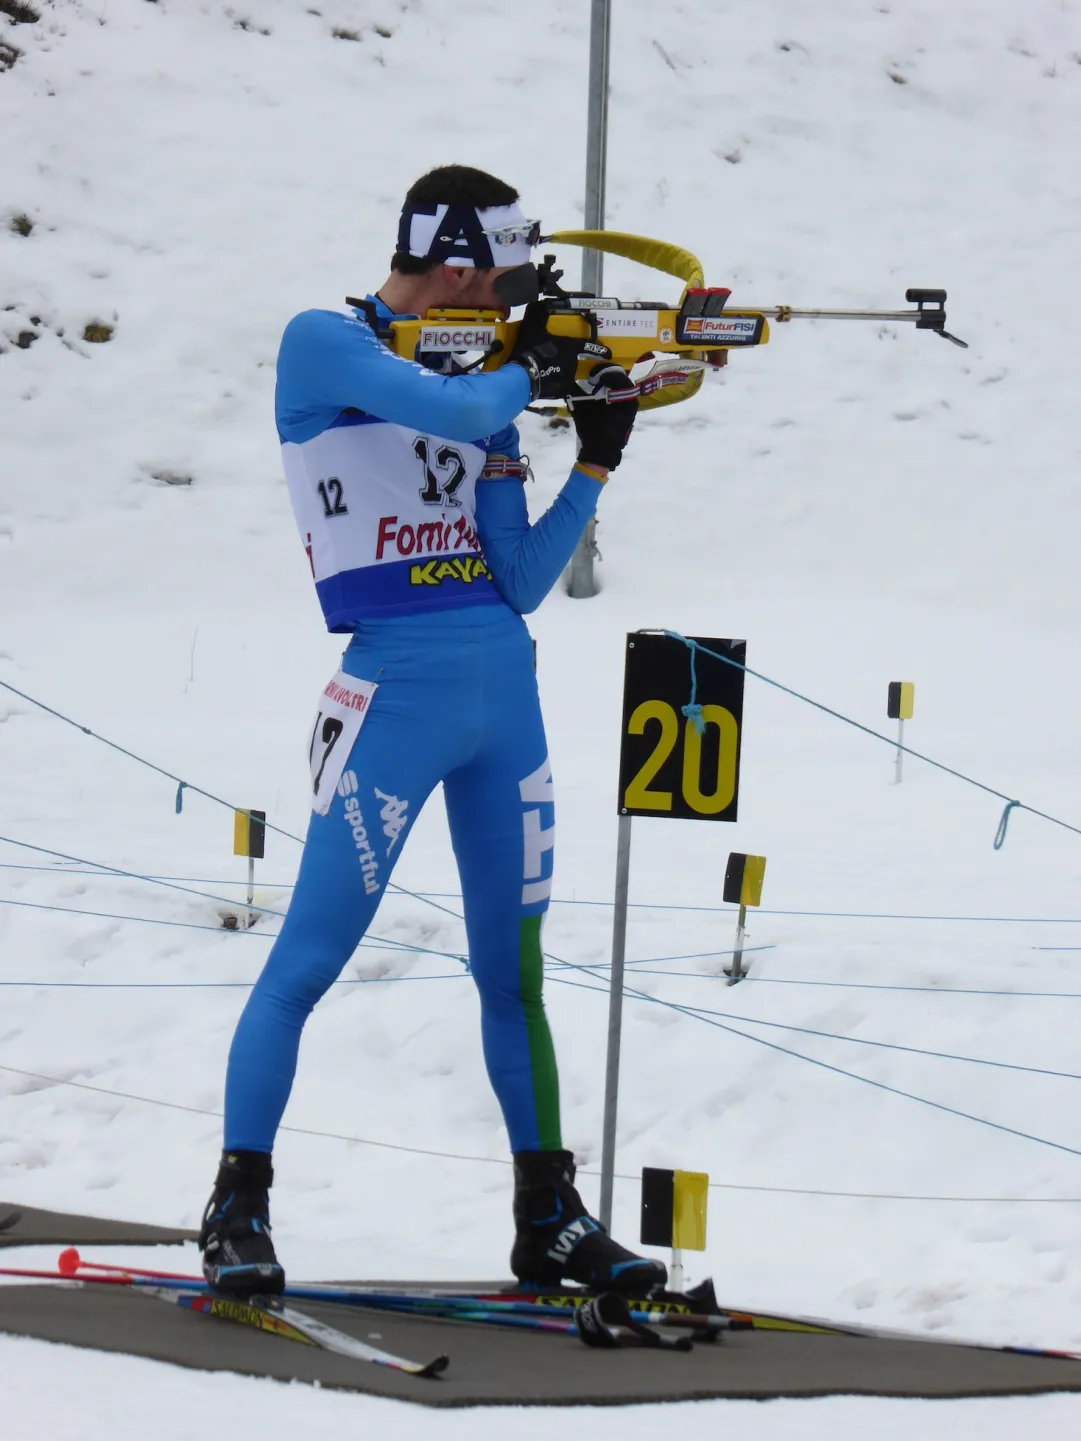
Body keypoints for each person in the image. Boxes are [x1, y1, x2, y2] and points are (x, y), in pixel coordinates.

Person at [199, 164, 665, 1298]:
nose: (505, 299)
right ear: (455, 260)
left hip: (506, 693)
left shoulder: (480, 375)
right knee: (311, 956)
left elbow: (518, 579)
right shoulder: (325, 342)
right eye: (500, 277)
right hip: (392, 691)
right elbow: (463, 407)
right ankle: (236, 1202)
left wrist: (594, 460)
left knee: (513, 972)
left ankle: (547, 1213)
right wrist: (525, 367)